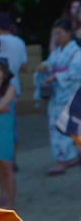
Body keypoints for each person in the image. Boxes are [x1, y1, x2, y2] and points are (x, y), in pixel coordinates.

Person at [34, 19, 81, 175]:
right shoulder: (56, 52)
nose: (57, 37)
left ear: (68, 33)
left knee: (66, 128)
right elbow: (50, 64)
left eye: (59, 33)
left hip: (70, 95)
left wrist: (56, 76)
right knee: (57, 128)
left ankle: (65, 159)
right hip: (56, 96)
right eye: (55, 34)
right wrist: (44, 67)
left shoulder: (76, 52)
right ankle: (64, 158)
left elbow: (76, 73)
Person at [0, 58, 18, 207]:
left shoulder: (11, 87)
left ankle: (11, 201)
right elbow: (0, 107)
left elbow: (2, 106)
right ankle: (4, 196)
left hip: (5, 131)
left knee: (7, 167)